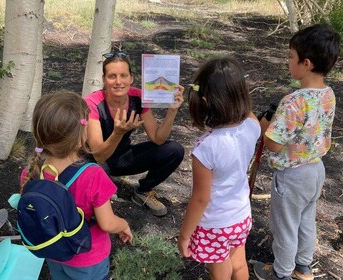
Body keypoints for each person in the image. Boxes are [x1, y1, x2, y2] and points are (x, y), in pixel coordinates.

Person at [253, 24, 341, 280]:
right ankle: (303, 267)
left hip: (291, 175)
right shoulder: (328, 94)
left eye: (291, 57)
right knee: (305, 220)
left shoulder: (294, 101)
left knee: (285, 227)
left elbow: (274, 144)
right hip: (315, 170)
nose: (288, 62)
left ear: (307, 63)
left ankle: (280, 273)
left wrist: (266, 125)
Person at [20, 91, 133, 280]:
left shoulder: (31, 171)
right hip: (88, 259)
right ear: (81, 136)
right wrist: (124, 224)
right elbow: (107, 223)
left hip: (54, 251)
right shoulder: (92, 175)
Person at [178, 56, 261, 280]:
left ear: (204, 101)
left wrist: (185, 235)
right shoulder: (252, 126)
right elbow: (248, 111)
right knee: (239, 263)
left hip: (216, 224)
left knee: (219, 270)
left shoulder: (206, 148)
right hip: (241, 215)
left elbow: (200, 199)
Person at [84, 52, 185, 217]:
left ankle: (142, 191)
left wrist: (172, 111)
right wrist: (118, 133)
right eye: (112, 76)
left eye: (123, 75)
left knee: (174, 150)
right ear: (104, 79)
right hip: (95, 161)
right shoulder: (93, 102)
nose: (118, 82)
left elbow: (158, 138)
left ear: (131, 78)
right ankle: (101, 194)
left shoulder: (138, 97)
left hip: (122, 157)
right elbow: (99, 155)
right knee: (104, 199)